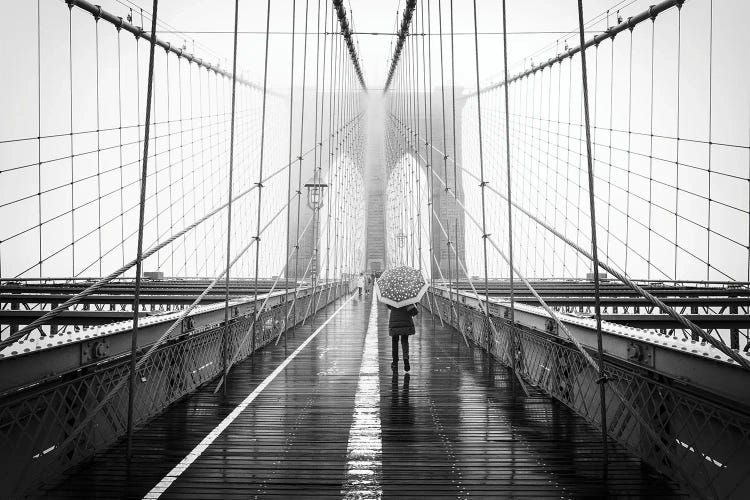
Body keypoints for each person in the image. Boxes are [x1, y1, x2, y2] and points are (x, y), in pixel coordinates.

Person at [387, 303, 419, 372]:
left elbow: (389, 305)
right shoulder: (407, 295)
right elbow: (414, 305)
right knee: (405, 340)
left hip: (394, 319)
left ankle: (395, 362)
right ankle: (406, 359)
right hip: (406, 318)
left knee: (395, 341)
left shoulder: (392, 294)